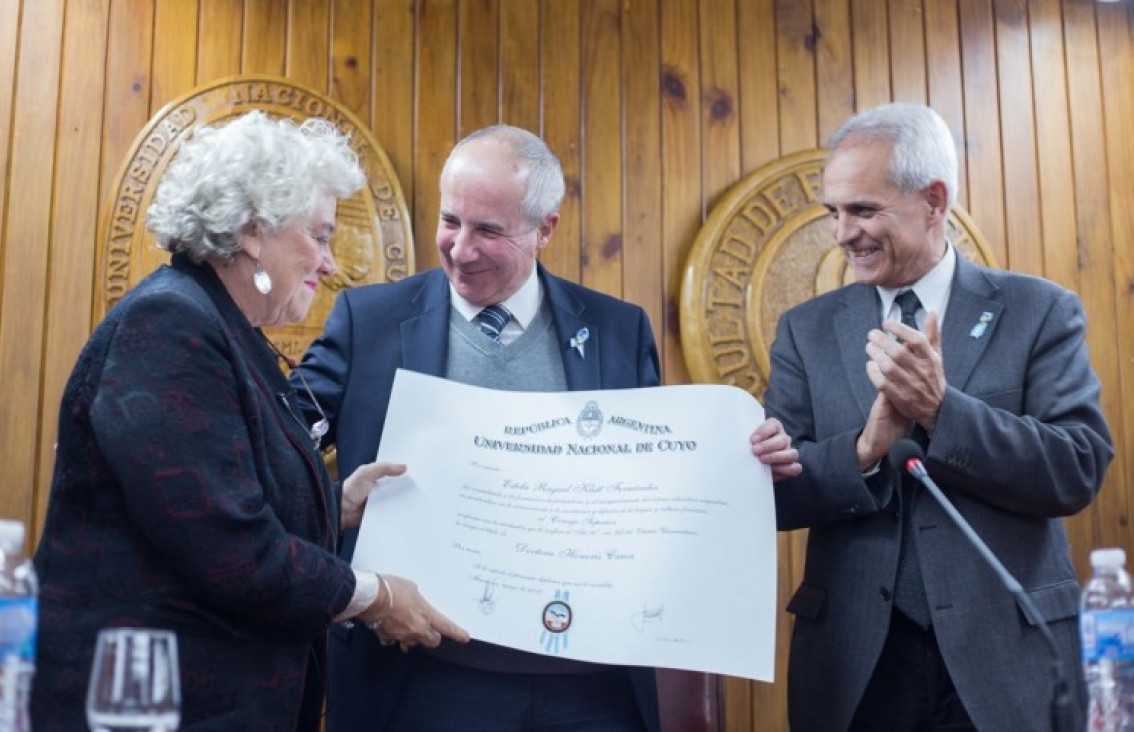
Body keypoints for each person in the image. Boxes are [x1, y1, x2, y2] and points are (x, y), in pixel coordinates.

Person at [296, 123, 798, 732]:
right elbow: (274, 447)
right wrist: (335, 505)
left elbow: (656, 480)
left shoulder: (620, 331)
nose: (460, 248)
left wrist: (743, 460)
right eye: (451, 221)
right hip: (422, 675)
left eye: (488, 230)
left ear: (545, 229)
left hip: (590, 682)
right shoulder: (368, 319)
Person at [30, 111, 467, 732]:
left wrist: (338, 504)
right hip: (144, 705)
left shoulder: (224, 328)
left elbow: (219, 498)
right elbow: (231, 551)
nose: (328, 262)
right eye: (318, 236)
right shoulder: (169, 327)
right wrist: (376, 596)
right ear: (254, 231)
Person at [754, 101, 1114, 731]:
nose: (843, 233)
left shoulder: (1040, 311)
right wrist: (863, 450)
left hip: (1005, 655)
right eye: (833, 212)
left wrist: (943, 412)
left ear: (934, 200)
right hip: (857, 663)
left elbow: (1077, 466)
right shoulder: (806, 331)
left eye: (863, 210)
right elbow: (771, 496)